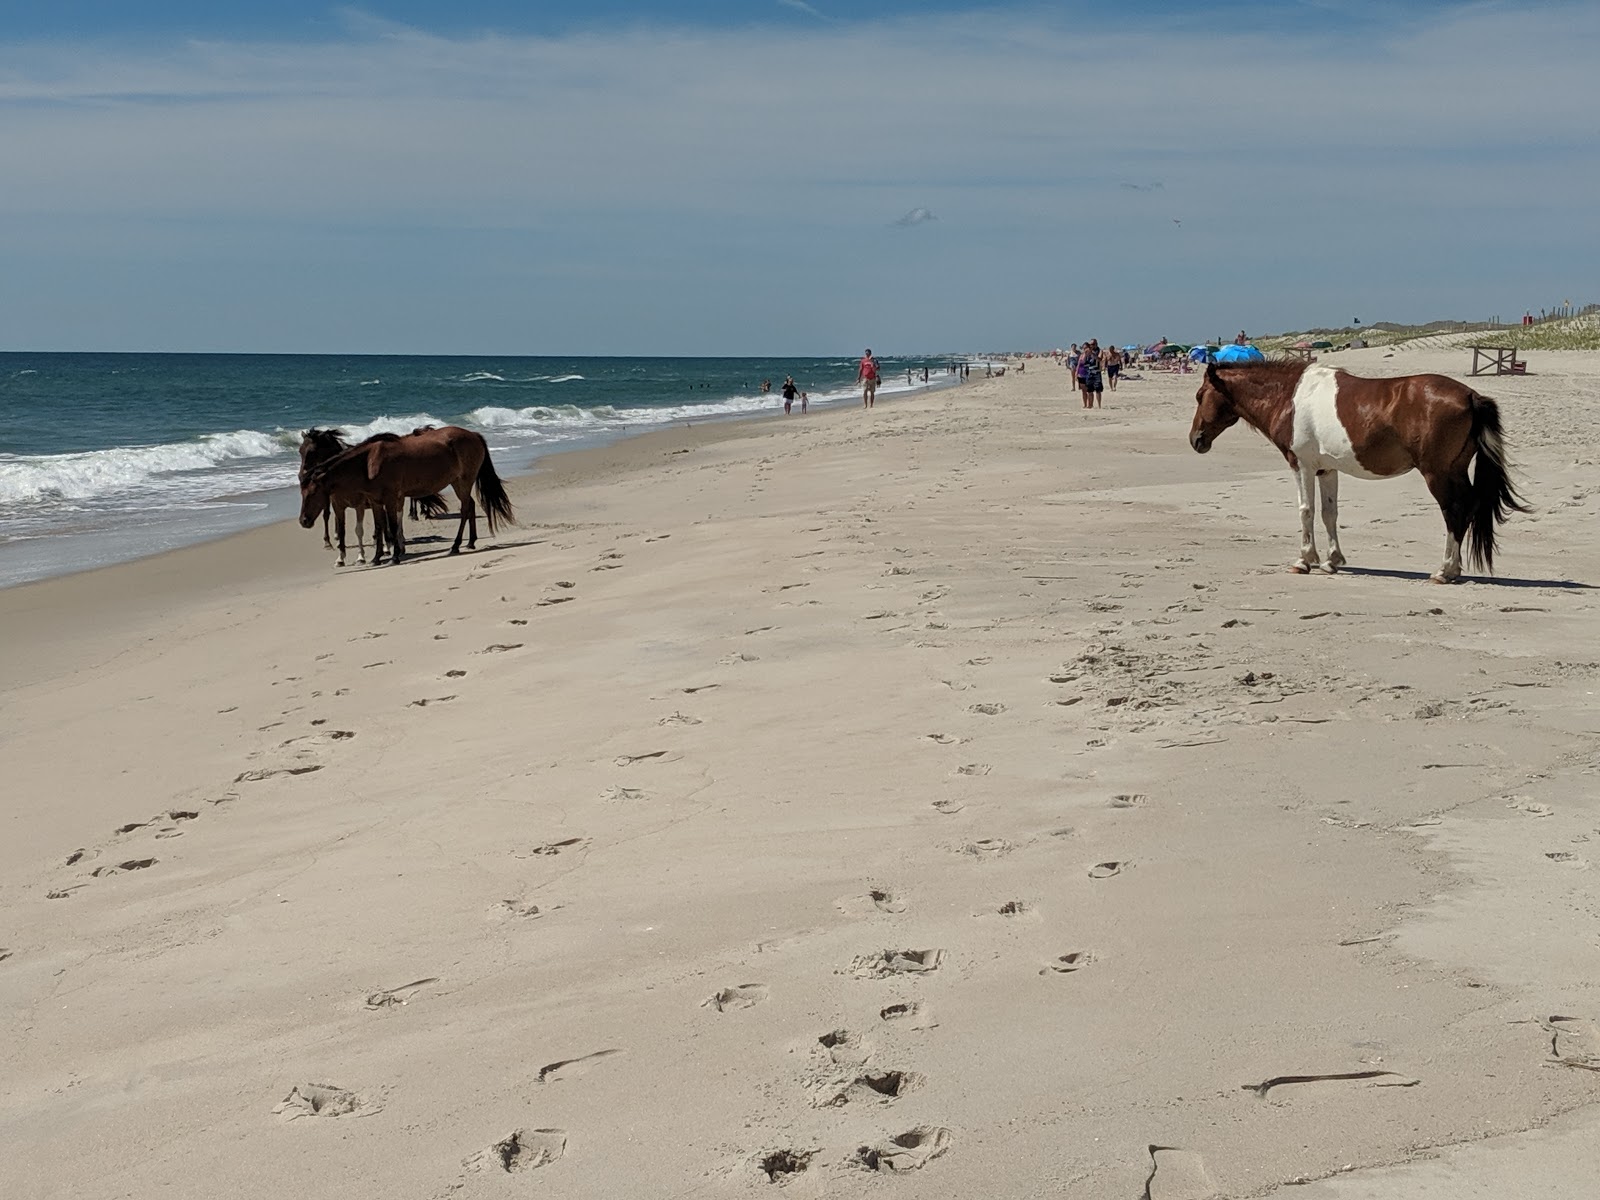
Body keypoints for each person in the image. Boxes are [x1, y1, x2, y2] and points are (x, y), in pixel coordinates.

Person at [1080, 340, 1104, 408]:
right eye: (1090, 344)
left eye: (1093, 344)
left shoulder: (1100, 351)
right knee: (1089, 390)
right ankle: (1090, 405)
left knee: (1098, 389)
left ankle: (1099, 405)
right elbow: (1083, 361)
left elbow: (1099, 359)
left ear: (1096, 344)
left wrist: (1092, 353)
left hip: (1096, 372)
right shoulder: (1087, 351)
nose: (1091, 346)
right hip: (1089, 372)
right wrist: (1085, 353)